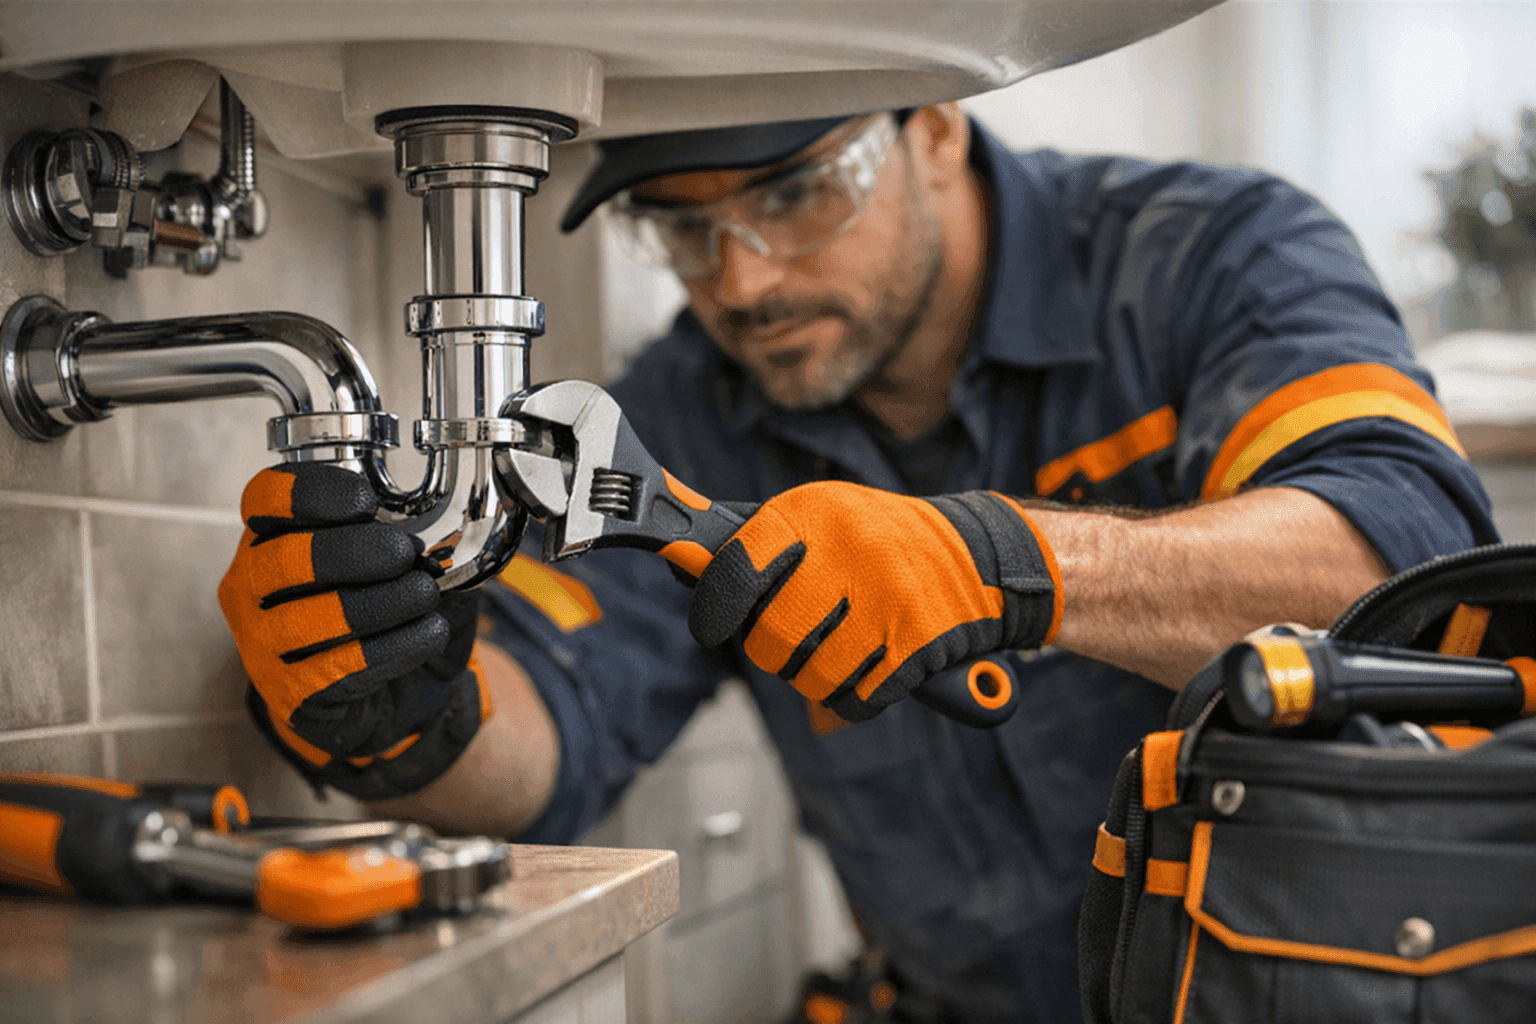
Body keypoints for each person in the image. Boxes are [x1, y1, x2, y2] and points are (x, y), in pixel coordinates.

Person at [217, 103, 1498, 1021]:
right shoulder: (688, 412)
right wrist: (403, 714)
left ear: (935, 128)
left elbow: (1412, 564)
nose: (742, 277)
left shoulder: (1214, 257)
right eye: (679, 225)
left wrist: (1009, 562)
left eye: (792, 193)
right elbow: (550, 732)